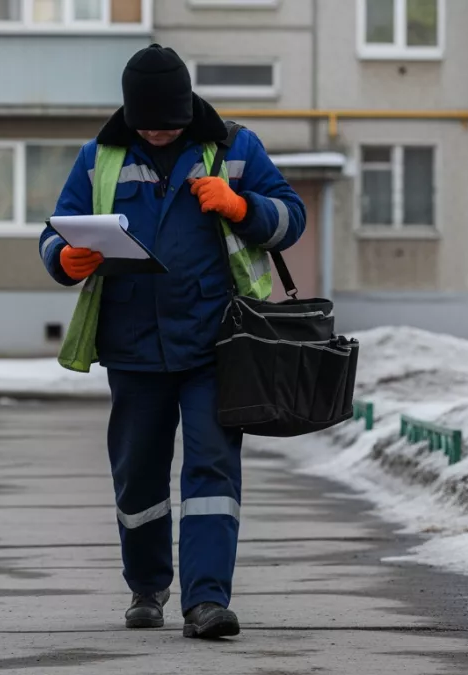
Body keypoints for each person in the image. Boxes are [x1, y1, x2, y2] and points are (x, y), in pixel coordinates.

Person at [37, 44, 305, 639]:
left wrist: (242, 205)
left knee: (212, 467)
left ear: (187, 109)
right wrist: (67, 258)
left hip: (217, 343)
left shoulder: (236, 149)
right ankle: (147, 587)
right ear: (130, 115)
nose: (159, 133)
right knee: (138, 473)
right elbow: (55, 231)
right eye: (148, 124)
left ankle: (207, 601)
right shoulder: (98, 157)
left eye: (170, 123)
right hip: (131, 346)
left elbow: (291, 218)